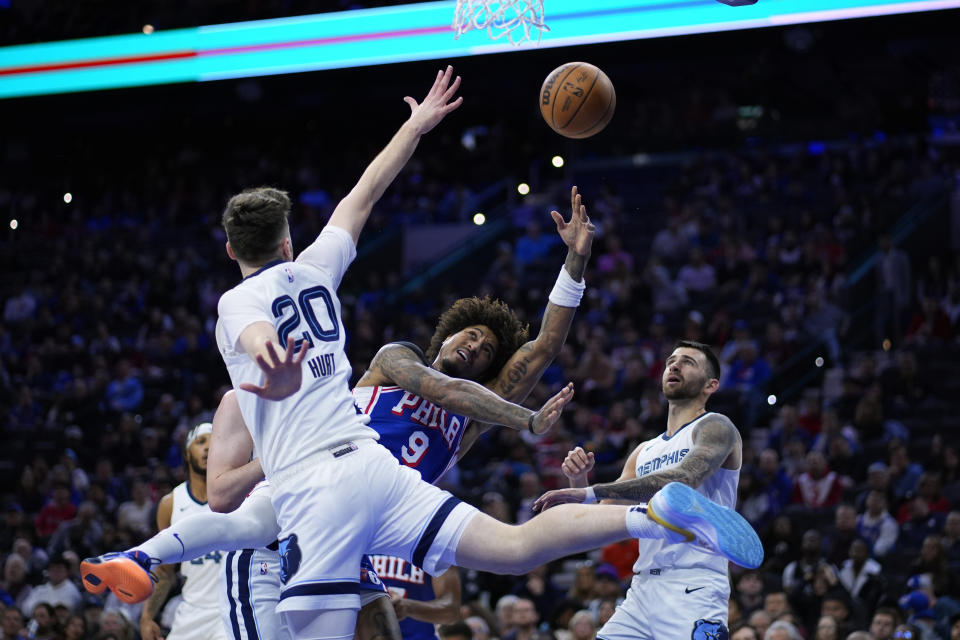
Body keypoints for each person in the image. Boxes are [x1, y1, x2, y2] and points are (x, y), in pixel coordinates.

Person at [86, 68, 761, 640]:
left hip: (340, 492)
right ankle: (138, 553)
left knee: (359, 603)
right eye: (466, 336)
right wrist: (414, 128)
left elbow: (545, 345)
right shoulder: (396, 358)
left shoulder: (250, 305)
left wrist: (574, 265)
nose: (472, 346)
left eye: (484, 347)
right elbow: (362, 204)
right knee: (510, 550)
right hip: (362, 490)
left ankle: (140, 554)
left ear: (233, 250)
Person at [533, 340, 752, 640]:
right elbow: (600, 521)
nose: (674, 365)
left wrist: (591, 490)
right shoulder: (643, 452)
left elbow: (683, 480)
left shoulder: (716, 427)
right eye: (671, 361)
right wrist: (579, 481)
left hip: (693, 584)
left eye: (688, 362)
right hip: (642, 590)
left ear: (710, 385)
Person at [85, 423, 228, 640]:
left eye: (213, 442)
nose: (208, 448)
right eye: (201, 442)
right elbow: (165, 571)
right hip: (192, 609)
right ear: (187, 454)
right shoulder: (171, 503)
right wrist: (147, 617)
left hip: (231, 606)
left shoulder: (237, 494)